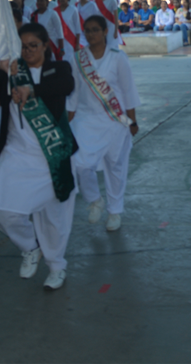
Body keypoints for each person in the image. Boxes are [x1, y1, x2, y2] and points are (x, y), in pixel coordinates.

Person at [0, 22, 78, 291]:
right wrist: (0, 70)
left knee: (54, 219)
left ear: (45, 46)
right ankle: (30, 247)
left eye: (33, 46)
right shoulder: (12, 71)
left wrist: (32, 90)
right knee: (3, 213)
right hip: (16, 154)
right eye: (23, 46)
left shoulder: (58, 68)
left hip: (52, 153)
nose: (27, 51)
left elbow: (65, 85)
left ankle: (56, 267)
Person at [68, 15, 140, 232]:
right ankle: (94, 199)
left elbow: (128, 91)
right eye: (87, 30)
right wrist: (68, 117)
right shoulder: (78, 58)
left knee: (115, 166)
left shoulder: (118, 57)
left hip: (115, 120)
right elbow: (73, 93)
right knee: (79, 163)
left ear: (105, 31)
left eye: (95, 30)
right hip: (85, 119)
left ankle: (114, 211)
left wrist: (132, 121)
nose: (91, 34)